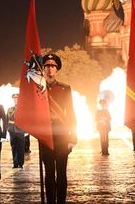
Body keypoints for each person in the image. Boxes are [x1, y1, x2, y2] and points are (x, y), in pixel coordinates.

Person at [39, 53, 77, 204]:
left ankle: (61, 201)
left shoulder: (65, 88)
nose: (49, 69)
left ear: (57, 69)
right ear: (43, 68)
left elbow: (71, 113)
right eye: (47, 66)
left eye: (53, 66)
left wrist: (73, 137)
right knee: (48, 174)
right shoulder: (38, 90)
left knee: (61, 173)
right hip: (46, 135)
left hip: (62, 136)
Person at [7, 93, 25, 168]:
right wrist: (8, 129)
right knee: (13, 147)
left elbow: (26, 120)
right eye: (14, 98)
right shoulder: (10, 109)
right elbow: (7, 120)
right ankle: (15, 163)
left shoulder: (23, 108)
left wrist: (26, 131)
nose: (15, 100)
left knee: (20, 147)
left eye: (17, 98)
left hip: (20, 130)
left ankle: (20, 163)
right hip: (12, 130)